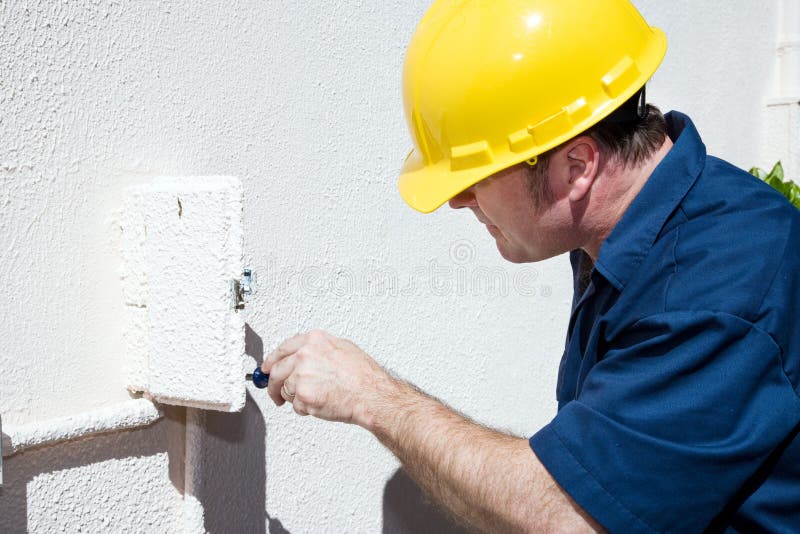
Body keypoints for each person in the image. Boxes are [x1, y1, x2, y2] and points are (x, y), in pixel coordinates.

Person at [262, 0, 800, 531]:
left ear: (578, 166)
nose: (459, 199)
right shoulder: (641, 229)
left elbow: (572, 514)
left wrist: (372, 397)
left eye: (477, 174)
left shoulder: (713, 290)